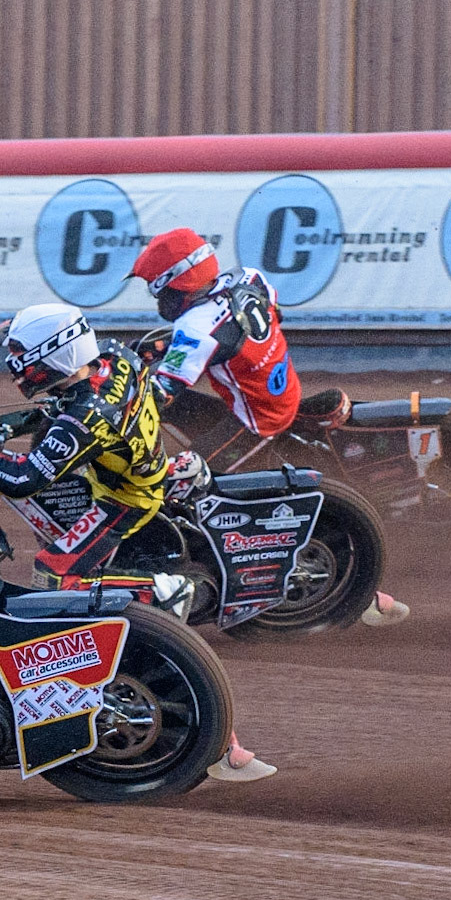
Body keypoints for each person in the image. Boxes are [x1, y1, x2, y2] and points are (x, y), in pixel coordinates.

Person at [0, 302, 275, 782]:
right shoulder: (110, 358)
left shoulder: (86, 413)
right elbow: (52, 413)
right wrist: (5, 428)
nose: (15, 367)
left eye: (22, 357)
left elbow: (22, 479)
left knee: (54, 574)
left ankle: (157, 592)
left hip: (123, 497)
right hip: (136, 461)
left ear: (53, 354)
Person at [129, 228, 409, 627]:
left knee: (180, 491)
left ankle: (345, 592)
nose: (158, 301)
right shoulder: (250, 278)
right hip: (278, 394)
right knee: (181, 421)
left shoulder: (196, 329)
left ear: (178, 285)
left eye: (159, 291)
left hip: (255, 421)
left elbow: (162, 392)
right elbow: (266, 319)